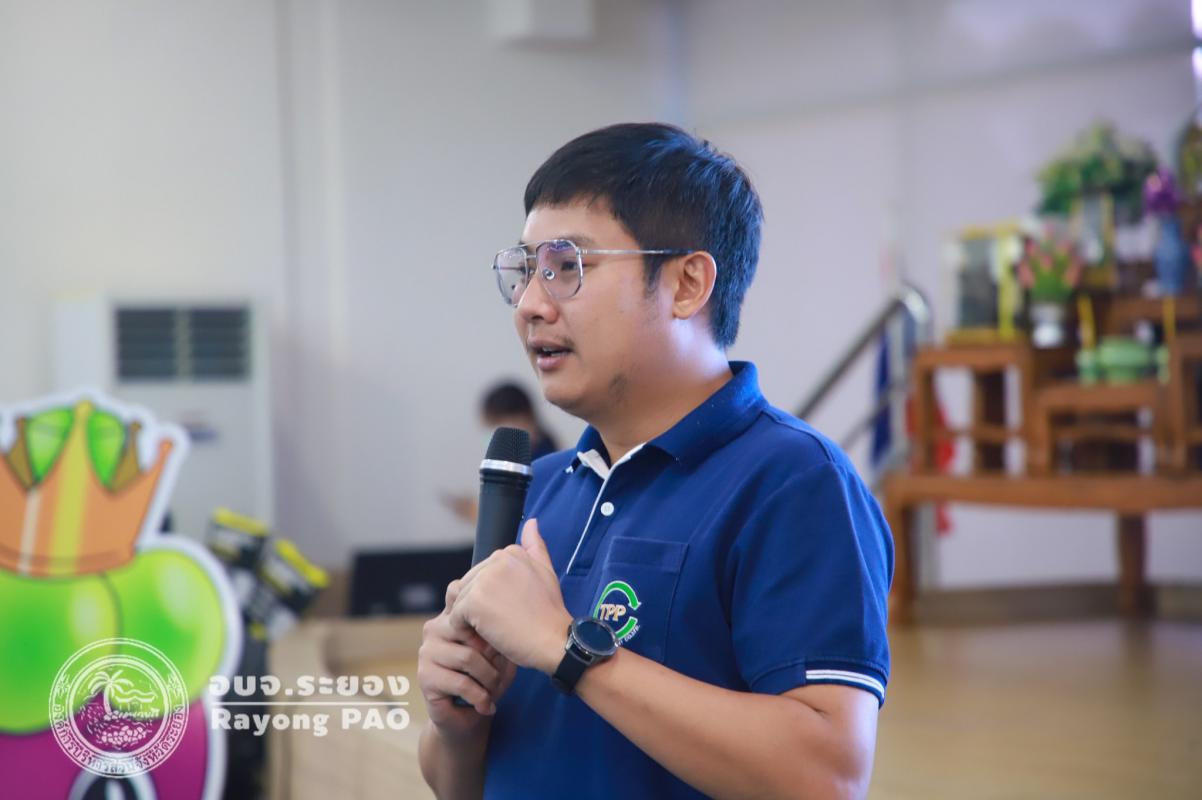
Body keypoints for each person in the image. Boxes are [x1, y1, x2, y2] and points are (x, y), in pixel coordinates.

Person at [417, 123, 892, 799]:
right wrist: (457, 726)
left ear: (687, 283)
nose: (530, 304)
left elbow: (826, 777)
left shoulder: (794, 482)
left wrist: (564, 646)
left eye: (567, 267)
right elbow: (458, 786)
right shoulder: (539, 489)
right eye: (526, 270)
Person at [442, 381, 561, 523]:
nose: (494, 438)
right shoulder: (522, 462)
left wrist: (481, 515)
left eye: (497, 425)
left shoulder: (543, 466)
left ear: (524, 419)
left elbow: (525, 522)